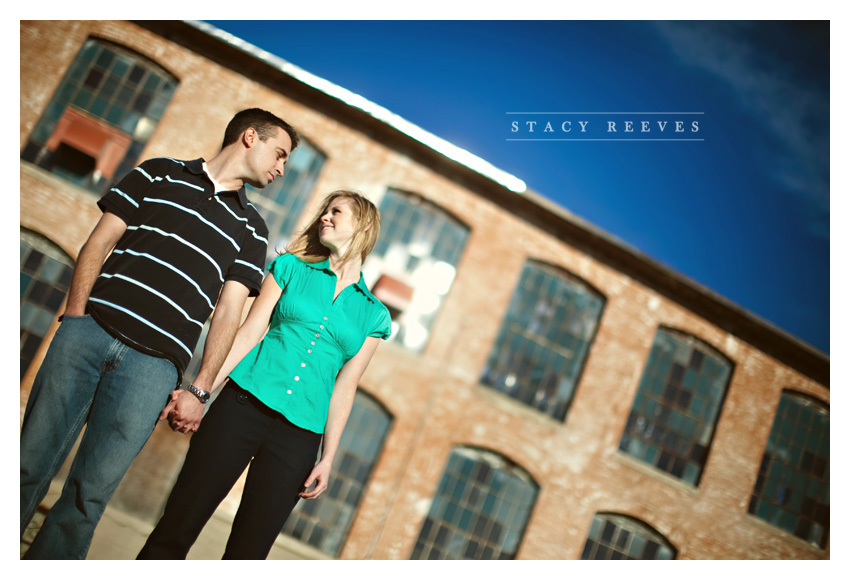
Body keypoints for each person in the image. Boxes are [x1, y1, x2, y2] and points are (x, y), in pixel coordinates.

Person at [20, 108, 300, 560]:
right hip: (87, 334)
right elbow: (98, 242)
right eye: (280, 154)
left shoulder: (253, 229)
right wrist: (74, 318)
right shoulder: (157, 173)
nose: (282, 168)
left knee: (87, 497)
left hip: (153, 370)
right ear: (250, 137)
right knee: (26, 466)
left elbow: (228, 313)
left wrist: (200, 388)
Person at [137, 190, 391, 559]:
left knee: (249, 554)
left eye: (336, 212)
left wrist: (328, 457)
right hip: (241, 408)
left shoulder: (374, 314)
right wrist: (199, 390)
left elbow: (345, 386)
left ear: (364, 226)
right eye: (324, 211)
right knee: (179, 523)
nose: (325, 217)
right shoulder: (289, 267)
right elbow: (248, 333)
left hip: (300, 437)